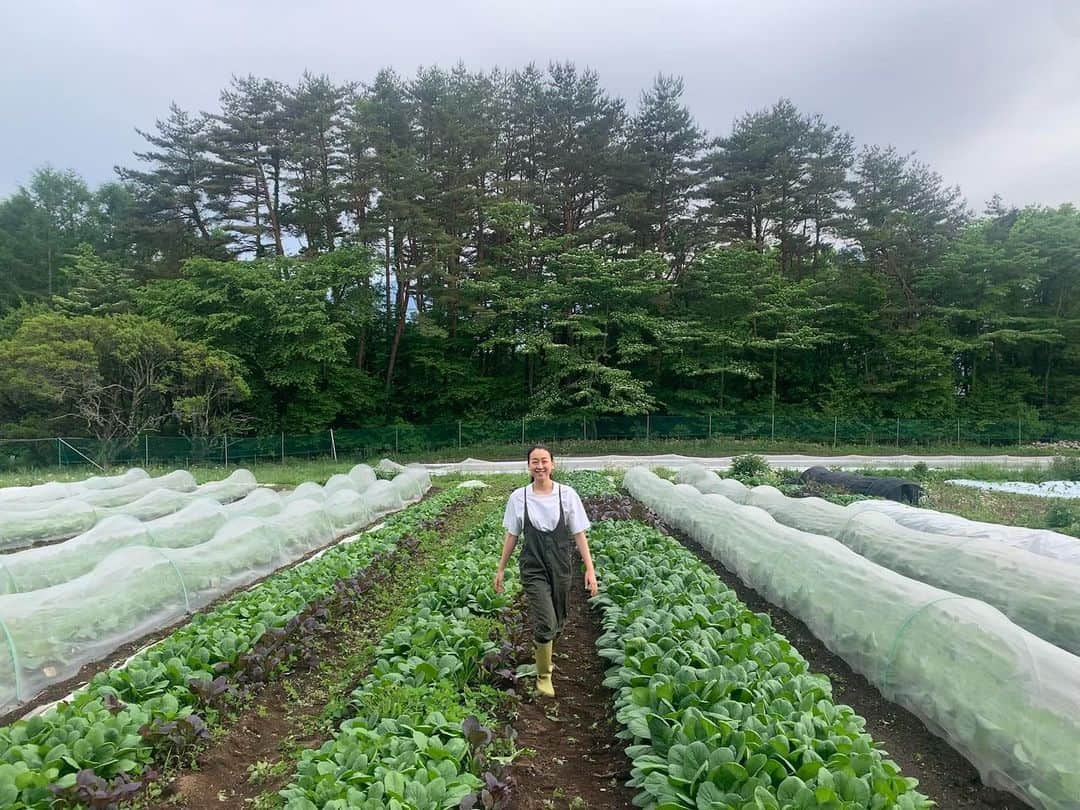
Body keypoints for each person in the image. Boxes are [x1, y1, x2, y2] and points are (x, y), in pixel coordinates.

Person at [493, 444, 598, 698]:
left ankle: (544, 653)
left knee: (559, 620)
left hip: (561, 565)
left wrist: (590, 569)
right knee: (545, 621)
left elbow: (579, 533)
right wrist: (500, 569)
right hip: (534, 566)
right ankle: (543, 676)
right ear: (528, 466)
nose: (539, 466)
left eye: (544, 461)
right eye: (534, 461)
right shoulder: (520, 497)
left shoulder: (567, 494)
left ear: (553, 464)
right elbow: (512, 535)